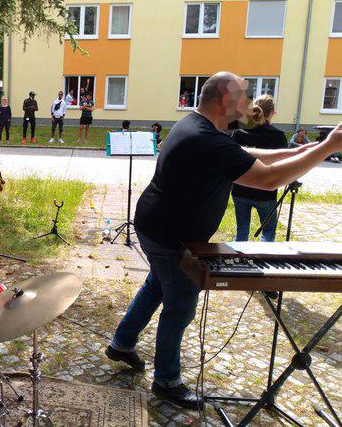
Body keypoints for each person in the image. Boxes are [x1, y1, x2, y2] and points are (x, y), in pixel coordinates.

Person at [106, 72, 342, 410]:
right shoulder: (206, 139)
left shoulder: (198, 126)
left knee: (157, 285)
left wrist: (310, 149)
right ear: (223, 101)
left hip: (156, 226)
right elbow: (269, 179)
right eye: (243, 97)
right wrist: (329, 148)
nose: (247, 104)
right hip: (169, 235)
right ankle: (167, 380)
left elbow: (243, 152)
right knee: (180, 305)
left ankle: (122, 343)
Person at [231, 95, 287, 242]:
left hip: (240, 189)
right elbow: (283, 165)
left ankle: (238, 263)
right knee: (268, 232)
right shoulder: (278, 136)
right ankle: (261, 264)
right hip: (265, 191)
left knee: (241, 232)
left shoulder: (239, 133)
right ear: (273, 111)